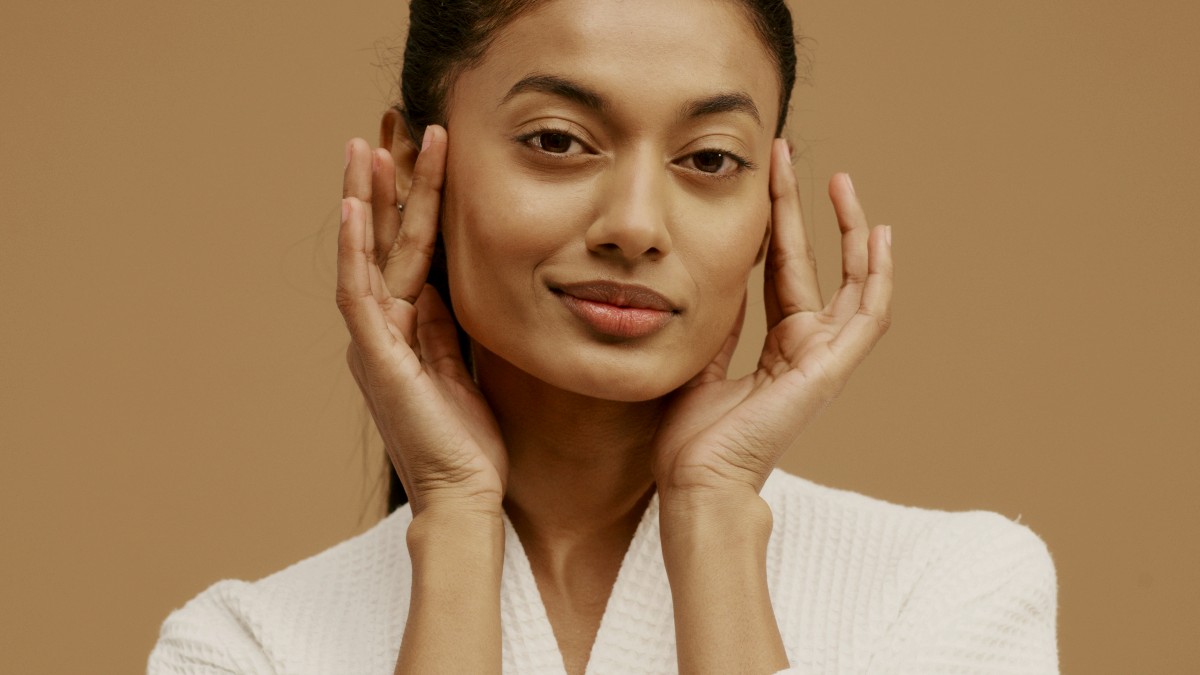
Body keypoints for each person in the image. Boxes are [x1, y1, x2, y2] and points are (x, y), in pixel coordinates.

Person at [149, 0, 1058, 673]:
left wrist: (715, 514)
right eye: (557, 140)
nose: (635, 223)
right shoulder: (246, 646)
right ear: (410, 164)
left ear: (767, 198)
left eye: (708, 159)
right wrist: (457, 516)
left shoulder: (952, 591)